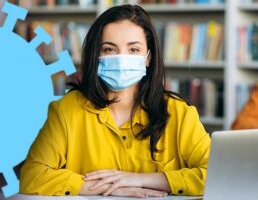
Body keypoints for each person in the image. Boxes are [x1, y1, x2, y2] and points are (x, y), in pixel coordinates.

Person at [19, 4, 210, 198]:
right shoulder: (66, 111)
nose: (121, 58)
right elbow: (33, 175)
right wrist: (108, 187)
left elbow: (214, 173)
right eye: (110, 49)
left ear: (148, 58)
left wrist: (140, 180)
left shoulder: (180, 113)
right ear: (97, 55)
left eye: (133, 49)